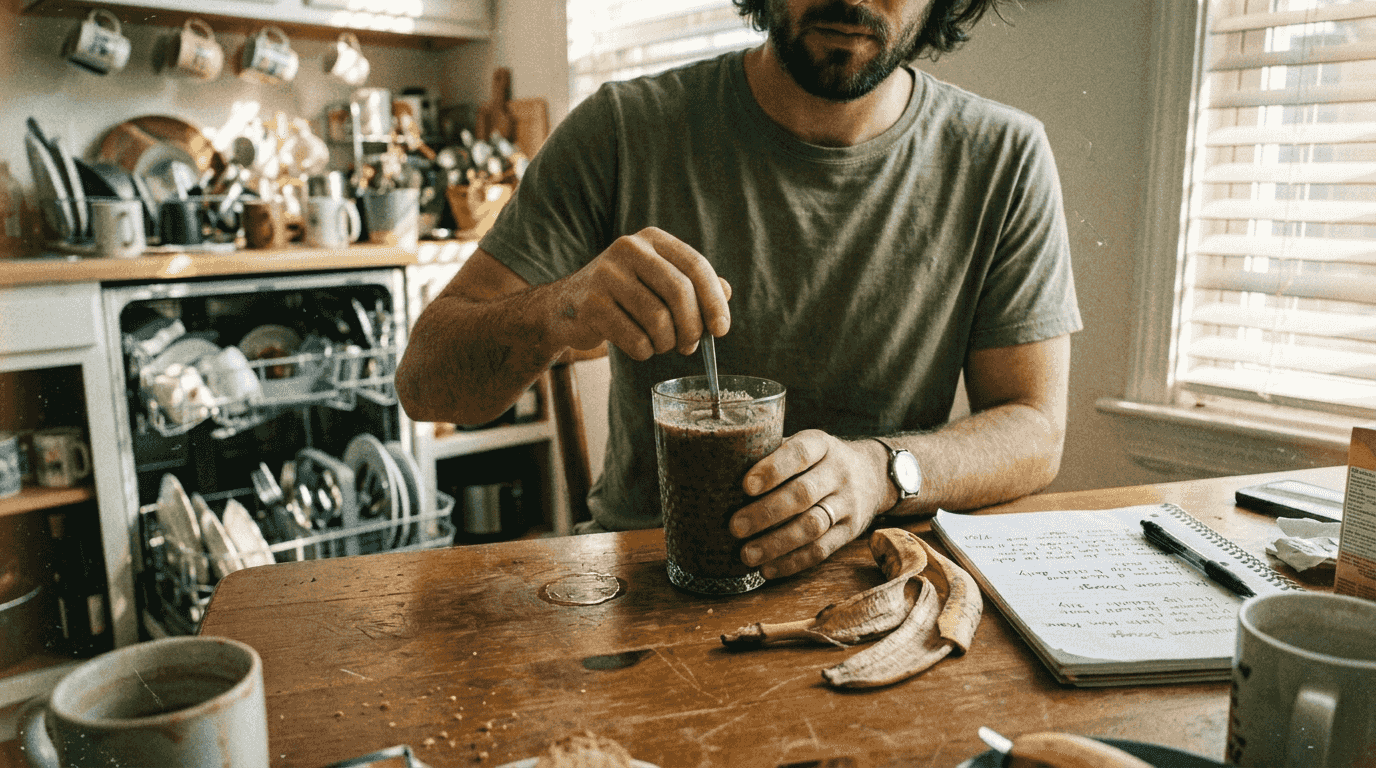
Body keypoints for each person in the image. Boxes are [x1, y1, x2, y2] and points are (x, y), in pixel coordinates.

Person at [397, 0, 1082, 581]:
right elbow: (427, 387)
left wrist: (879, 474)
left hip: (879, 577)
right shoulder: (622, 129)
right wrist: (559, 309)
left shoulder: (1004, 158)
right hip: (649, 580)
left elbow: (1034, 427)